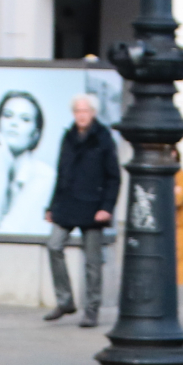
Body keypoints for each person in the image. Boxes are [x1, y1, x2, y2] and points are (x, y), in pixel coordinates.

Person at [43, 93, 122, 326]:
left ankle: (92, 310)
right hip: (67, 203)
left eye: (85, 111)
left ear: (93, 113)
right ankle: (65, 300)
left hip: (93, 206)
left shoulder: (103, 138)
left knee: (92, 261)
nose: (81, 115)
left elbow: (113, 177)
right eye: (77, 111)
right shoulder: (67, 137)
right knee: (53, 245)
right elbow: (61, 173)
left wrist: (107, 207)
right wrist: (52, 206)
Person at [0, 90, 52, 235]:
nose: (14, 123)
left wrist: (0, 177)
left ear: (35, 134)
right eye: (8, 115)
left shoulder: (44, 177)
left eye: (25, 119)